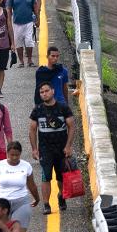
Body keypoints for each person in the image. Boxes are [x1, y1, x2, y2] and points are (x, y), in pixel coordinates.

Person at [30, 82, 77, 214]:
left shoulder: (63, 108)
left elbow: (72, 126)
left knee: (61, 177)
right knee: (46, 177)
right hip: (45, 150)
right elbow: (32, 130)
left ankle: (61, 197)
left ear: (52, 91)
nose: (44, 94)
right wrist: (34, 149)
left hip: (61, 149)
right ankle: (46, 204)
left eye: (46, 91)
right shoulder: (37, 110)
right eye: (41, 92)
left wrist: (68, 146)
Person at [0, 141, 40, 232]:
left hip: (21, 203)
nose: (14, 158)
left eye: (17, 155)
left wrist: (37, 198)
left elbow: (32, 185)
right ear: (7, 153)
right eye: (12, 155)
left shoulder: (26, 166)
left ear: (20, 153)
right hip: (2, 204)